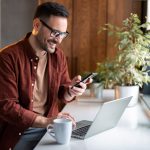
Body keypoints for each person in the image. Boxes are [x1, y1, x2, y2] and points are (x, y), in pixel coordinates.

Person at [0, 2, 90, 150]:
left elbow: (62, 93)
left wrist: (70, 91)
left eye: (63, 34)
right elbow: (7, 107)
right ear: (36, 25)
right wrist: (48, 121)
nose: (59, 40)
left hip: (51, 128)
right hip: (21, 133)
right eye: (55, 33)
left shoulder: (58, 56)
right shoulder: (7, 57)